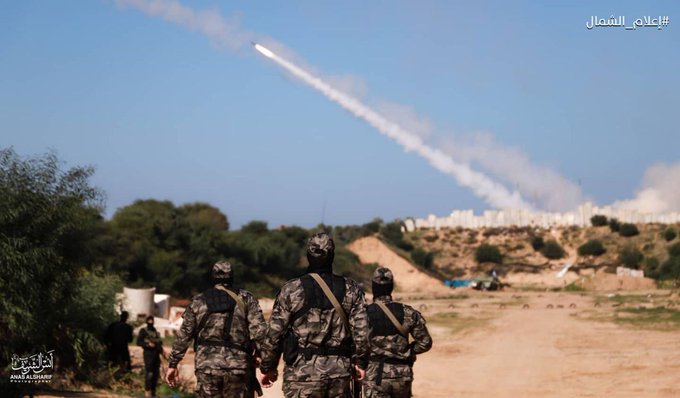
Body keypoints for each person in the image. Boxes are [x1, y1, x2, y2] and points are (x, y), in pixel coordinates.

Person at [259, 232, 370, 398]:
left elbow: (274, 334)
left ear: (308, 256)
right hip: (339, 374)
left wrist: (268, 368)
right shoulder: (351, 289)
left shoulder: (291, 289)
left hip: (301, 376)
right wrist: (360, 363)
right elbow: (362, 332)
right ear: (332, 256)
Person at [165, 261, 266, 398]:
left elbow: (184, 335)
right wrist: (266, 362)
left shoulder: (198, 301)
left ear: (212, 277)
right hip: (238, 366)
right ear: (232, 277)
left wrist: (173, 364)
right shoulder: (246, 298)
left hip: (207, 367)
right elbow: (260, 332)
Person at [363, 267, 432, 398]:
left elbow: (357, 343)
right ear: (391, 287)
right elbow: (425, 342)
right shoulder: (408, 312)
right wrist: (409, 351)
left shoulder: (364, 314)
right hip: (402, 374)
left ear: (373, 287)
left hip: (376, 375)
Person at [137, 315, 164, 397]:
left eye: (152, 320)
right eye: (149, 320)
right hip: (148, 355)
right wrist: (147, 344)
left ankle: (153, 392)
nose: (151, 322)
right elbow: (138, 342)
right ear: (146, 321)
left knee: (155, 374)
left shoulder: (155, 331)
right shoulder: (143, 330)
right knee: (149, 373)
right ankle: (147, 391)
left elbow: (159, 343)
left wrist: (162, 352)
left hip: (156, 355)